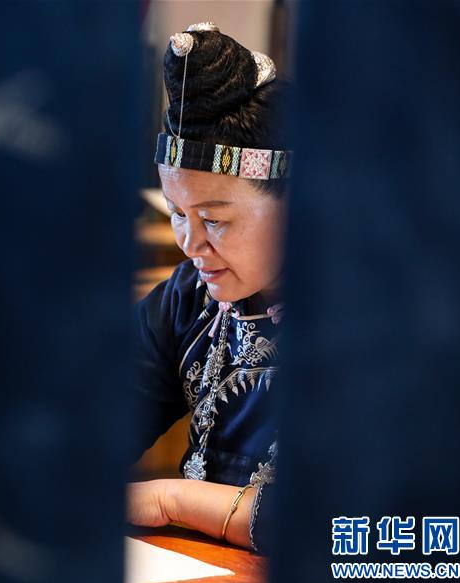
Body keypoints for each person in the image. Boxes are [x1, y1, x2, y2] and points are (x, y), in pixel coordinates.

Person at [127, 22, 290, 553]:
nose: (190, 244)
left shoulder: (374, 313)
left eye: (215, 220)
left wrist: (173, 500)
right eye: (177, 213)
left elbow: (356, 524)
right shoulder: (189, 297)